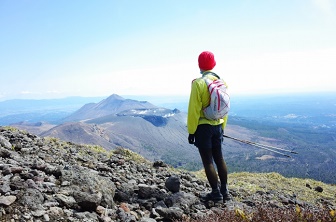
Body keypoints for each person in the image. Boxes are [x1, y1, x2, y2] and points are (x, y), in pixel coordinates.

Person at [187, 51, 231, 202]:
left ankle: (216, 194)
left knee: (208, 161)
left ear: (200, 65)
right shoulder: (221, 83)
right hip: (218, 125)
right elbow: (224, 108)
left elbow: (194, 110)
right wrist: (222, 127)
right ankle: (225, 191)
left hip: (203, 128)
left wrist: (191, 131)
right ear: (214, 64)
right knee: (219, 159)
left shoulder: (198, 83)